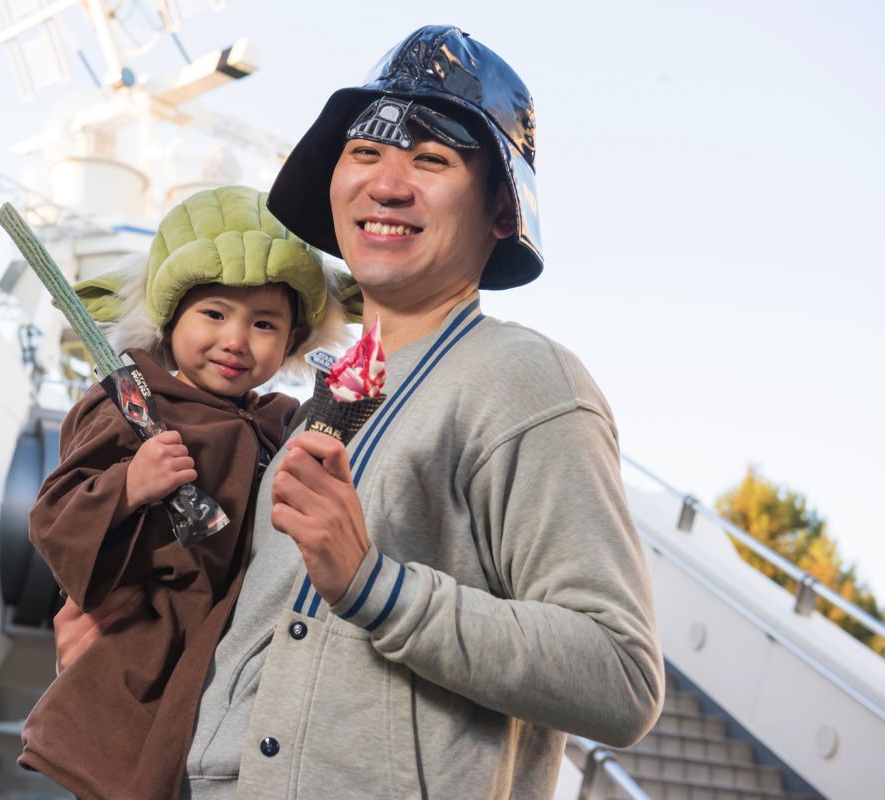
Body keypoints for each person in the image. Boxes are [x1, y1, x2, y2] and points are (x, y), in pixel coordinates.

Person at [180, 26, 665, 798]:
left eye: (432, 159)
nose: (387, 184)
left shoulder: (524, 379)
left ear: (502, 210)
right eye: (365, 151)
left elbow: (621, 674)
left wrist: (373, 585)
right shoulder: (321, 399)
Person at [22, 185, 351, 799]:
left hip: (244, 645)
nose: (236, 339)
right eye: (214, 314)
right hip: (147, 647)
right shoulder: (134, 403)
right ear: (170, 320)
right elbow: (54, 516)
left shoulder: (283, 421)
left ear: (292, 342)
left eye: (264, 324)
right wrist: (129, 485)